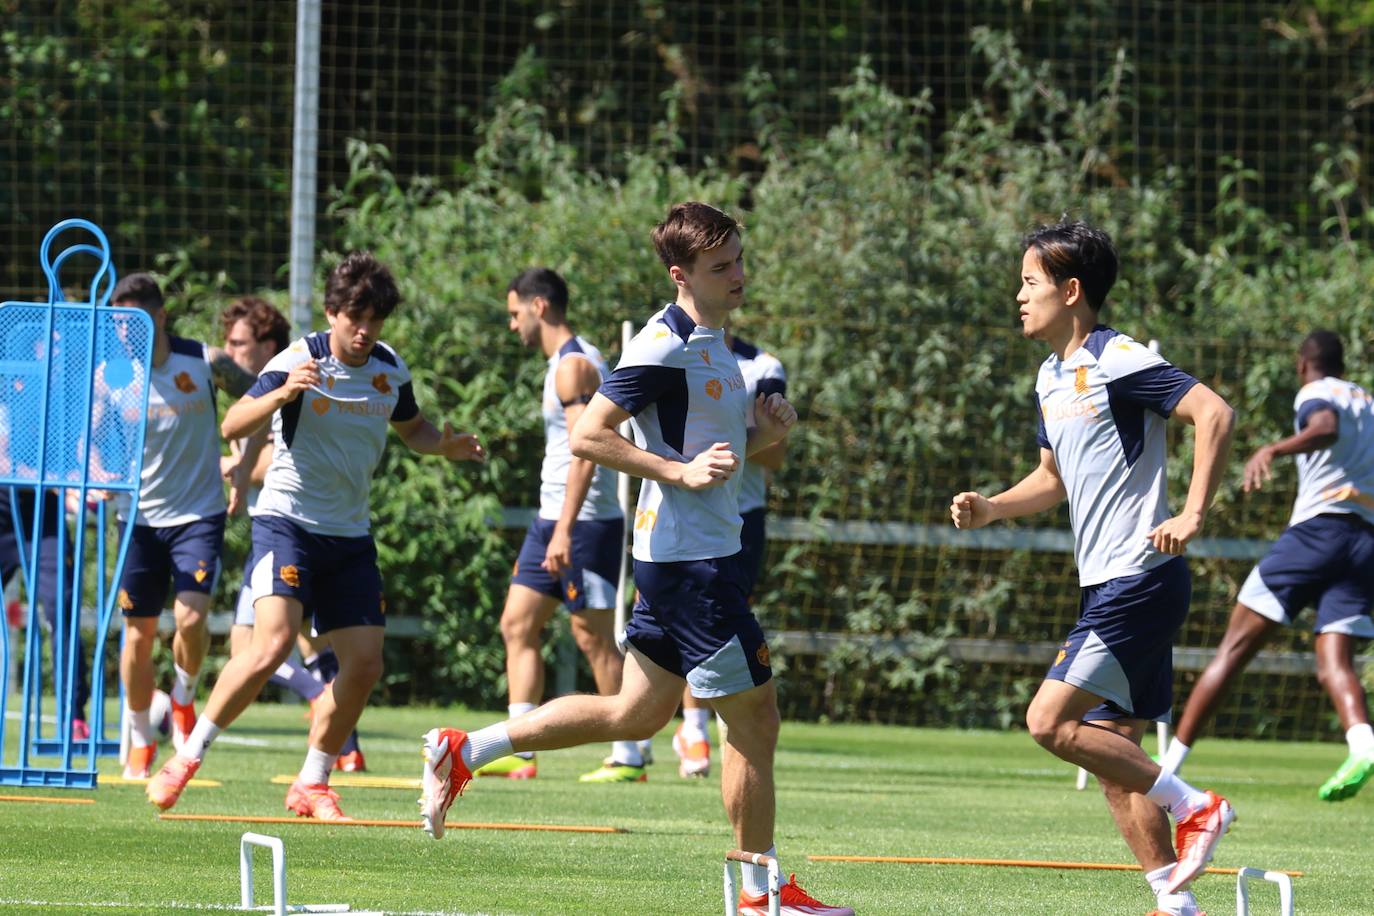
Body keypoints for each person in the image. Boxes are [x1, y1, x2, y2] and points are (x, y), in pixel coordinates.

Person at [419, 202, 852, 916]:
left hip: (687, 558)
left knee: (633, 713)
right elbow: (589, 436)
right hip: (692, 568)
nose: (739, 274)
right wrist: (675, 473)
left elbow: (725, 453)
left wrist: (769, 434)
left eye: (741, 259)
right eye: (723, 267)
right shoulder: (663, 344)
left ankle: (466, 750)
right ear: (682, 275)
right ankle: (760, 895)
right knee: (756, 718)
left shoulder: (717, 342)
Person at [949, 221, 1237, 913]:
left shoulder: (1120, 360)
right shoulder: (1051, 377)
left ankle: (1199, 806)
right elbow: (1053, 477)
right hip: (1105, 584)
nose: (1018, 295)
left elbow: (1214, 413)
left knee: (1048, 722)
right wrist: (992, 507)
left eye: (1030, 282)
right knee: (1112, 756)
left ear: (1071, 291)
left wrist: (1193, 513)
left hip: (1141, 578)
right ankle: (1175, 901)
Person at [146, 251, 485, 819]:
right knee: (271, 645)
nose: (364, 330)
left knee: (365, 664)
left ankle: (313, 780)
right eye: (355, 317)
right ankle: (186, 757)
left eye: (375, 320)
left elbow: (414, 429)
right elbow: (231, 423)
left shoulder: (390, 368)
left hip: (349, 535)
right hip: (288, 523)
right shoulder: (299, 358)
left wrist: (442, 447)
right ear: (332, 312)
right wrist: (281, 393)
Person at [1165, 331, 1374, 801]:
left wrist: (1272, 450)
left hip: (1318, 534)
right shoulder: (1369, 403)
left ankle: (1169, 766)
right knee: (1334, 662)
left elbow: (1324, 427)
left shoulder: (1316, 393)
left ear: (1304, 364)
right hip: (1365, 544)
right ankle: (1364, 745)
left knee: (1233, 650)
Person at [474, 268, 636, 783]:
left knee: (591, 638)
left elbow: (585, 454)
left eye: (514, 313)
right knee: (517, 623)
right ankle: (520, 749)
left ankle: (630, 755)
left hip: (584, 524)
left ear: (538, 307)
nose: (512, 325)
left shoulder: (574, 367)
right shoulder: (561, 366)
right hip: (552, 519)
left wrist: (565, 530)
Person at [109, 273, 257, 779]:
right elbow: (91, 439)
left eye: (138, 321)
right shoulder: (110, 376)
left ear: (161, 316)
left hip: (198, 513)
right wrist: (100, 474)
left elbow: (259, 401)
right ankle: (139, 737)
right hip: (137, 520)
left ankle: (184, 697)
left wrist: (243, 456)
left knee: (191, 621)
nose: (128, 332)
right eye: (120, 323)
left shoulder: (205, 360)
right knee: (136, 637)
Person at [219, 296, 367, 772]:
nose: (230, 351)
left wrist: (237, 468)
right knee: (308, 644)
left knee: (251, 650)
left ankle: (324, 711)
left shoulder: (293, 378)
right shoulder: (263, 389)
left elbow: (275, 459)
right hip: (286, 530)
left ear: (267, 345)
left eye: (239, 343)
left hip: (289, 531)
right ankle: (344, 743)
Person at [674, 326, 788, 779]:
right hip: (684, 511)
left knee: (725, 619)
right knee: (683, 621)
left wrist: (722, 435)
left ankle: (706, 728)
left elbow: (775, 452)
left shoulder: (763, 367)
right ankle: (693, 729)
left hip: (742, 518)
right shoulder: (667, 350)